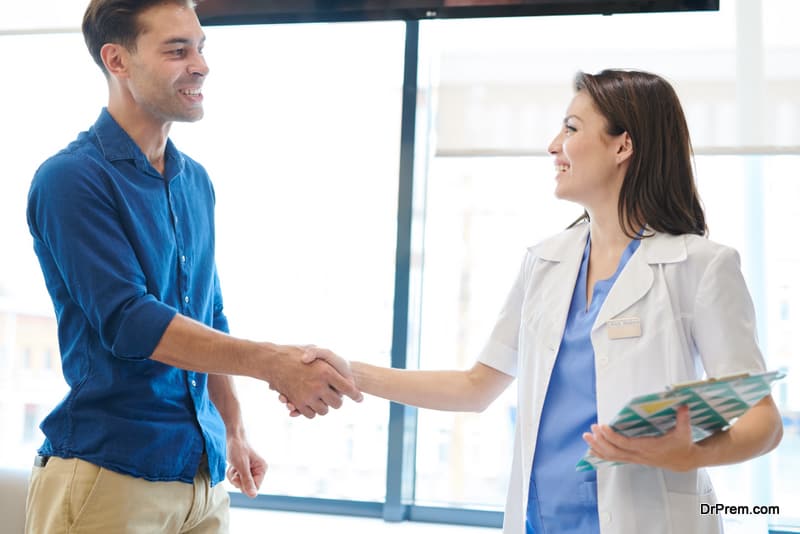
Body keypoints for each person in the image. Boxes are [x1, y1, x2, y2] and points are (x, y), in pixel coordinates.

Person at [287, 69, 784, 533]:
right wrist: (349, 371)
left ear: (623, 145)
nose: (554, 146)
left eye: (570, 128)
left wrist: (689, 455)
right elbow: (475, 387)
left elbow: (763, 422)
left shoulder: (699, 265)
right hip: (540, 519)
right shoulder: (546, 261)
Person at [24, 1, 362, 533]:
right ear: (117, 60)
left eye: (200, 47)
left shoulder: (194, 181)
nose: (200, 65)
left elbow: (209, 313)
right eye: (177, 50)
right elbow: (131, 322)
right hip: (110, 477)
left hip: (200, 479)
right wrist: (273, 362)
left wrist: (232, 429)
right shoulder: (71, 179)